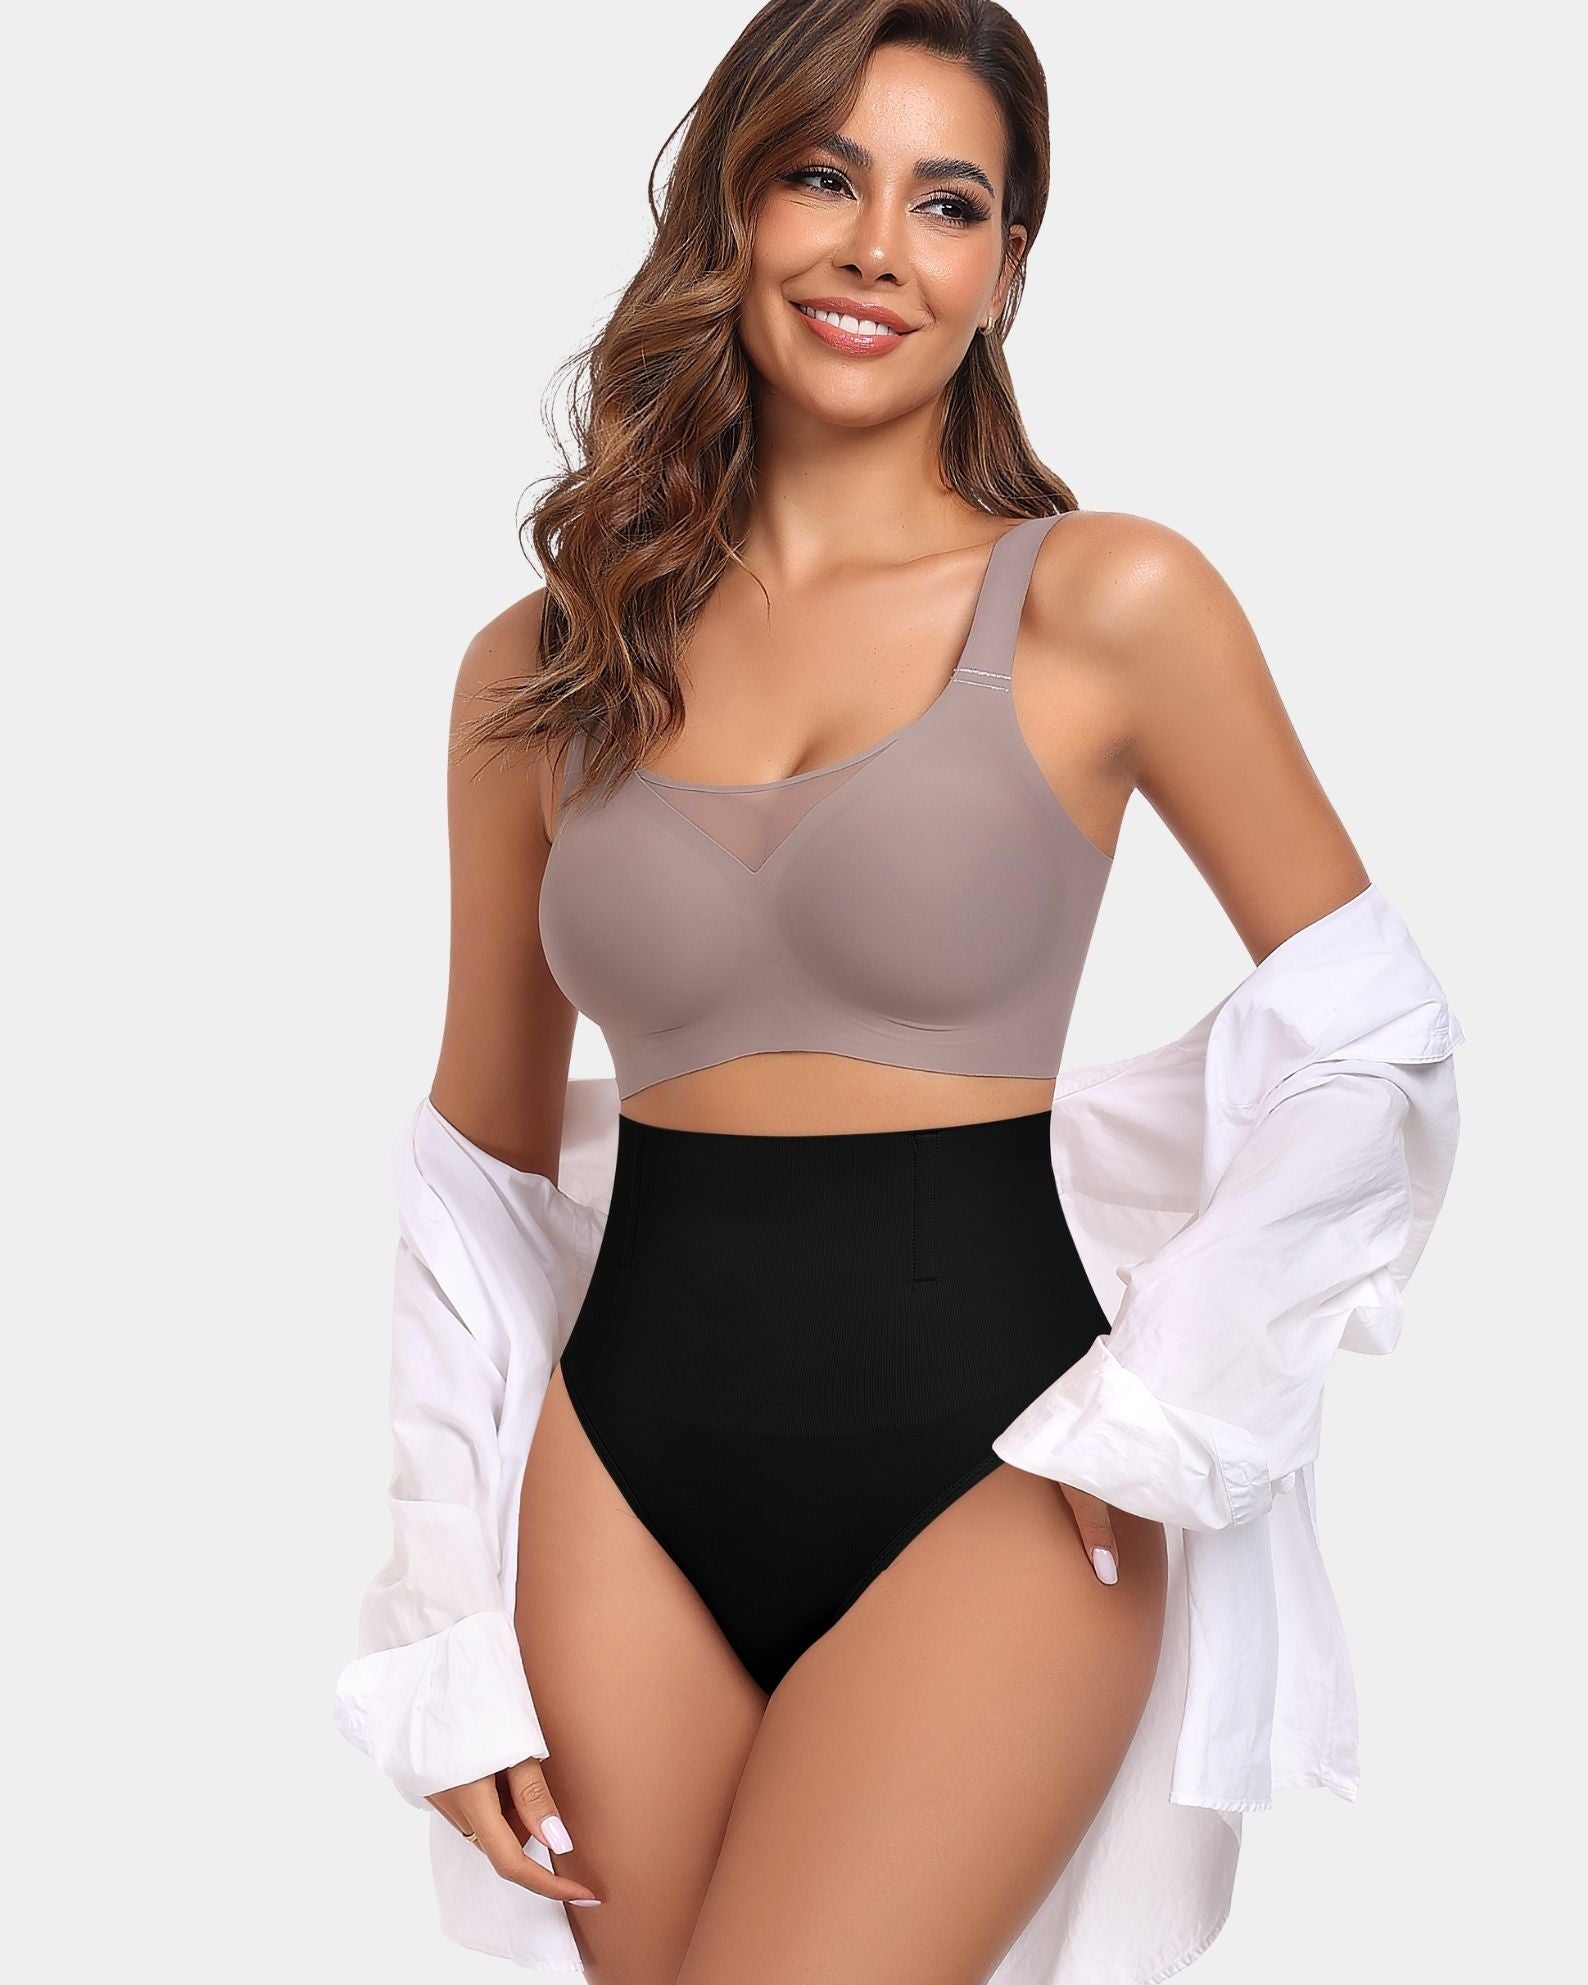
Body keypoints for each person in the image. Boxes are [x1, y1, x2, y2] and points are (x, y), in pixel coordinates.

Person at [333, 5, 1463, 1981]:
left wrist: (1164, 1408)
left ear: (1005, 267)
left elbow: (1374, 1040)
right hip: (620, 1485)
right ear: (732, 206)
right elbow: (478, 1171)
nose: (876, 246)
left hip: (1002, 1481)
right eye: (821, 176)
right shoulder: (543, 666)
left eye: (947, 203)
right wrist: (443, 1615)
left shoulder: (1110, 601)